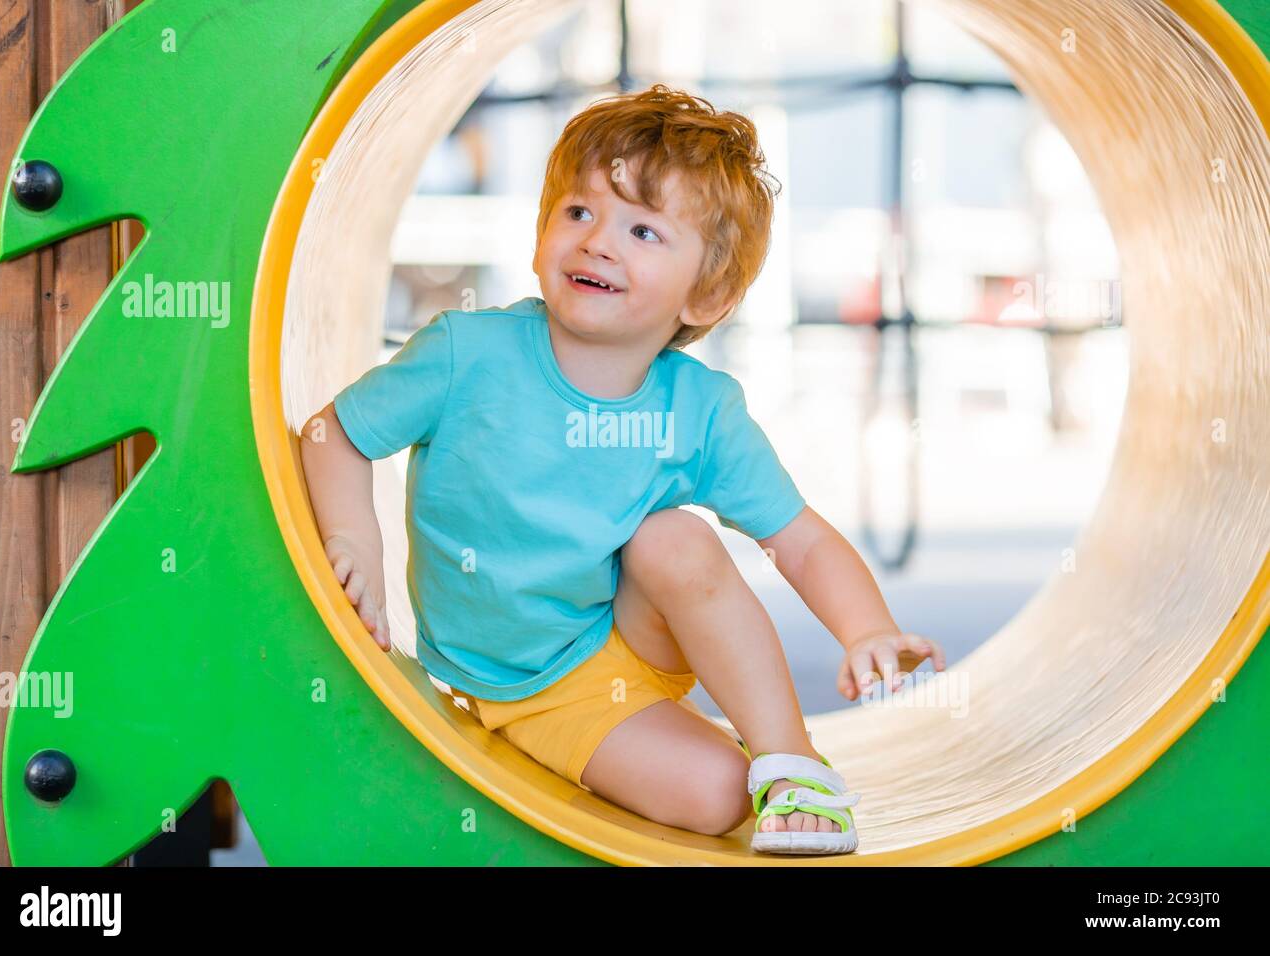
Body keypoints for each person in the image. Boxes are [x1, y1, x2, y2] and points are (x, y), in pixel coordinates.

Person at [299, 84, 946, 855]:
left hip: (633, 632)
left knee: (673, 538)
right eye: (579, 213)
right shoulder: (464, 354)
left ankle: (793, 760)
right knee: (714, 798)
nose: (598, 241)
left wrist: (867, 628)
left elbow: (799, 538)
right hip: (530, 690)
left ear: (707, 294)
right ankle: (686, 749)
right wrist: (356, 542)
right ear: (540, 232)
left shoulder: (699, 410)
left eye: (642, 230)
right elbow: (330, 431)